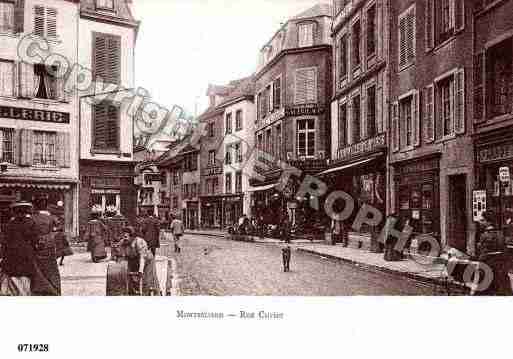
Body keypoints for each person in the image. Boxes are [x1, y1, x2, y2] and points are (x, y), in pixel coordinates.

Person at [0, 202, 39, 296]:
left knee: (12, 279)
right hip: (26, 255)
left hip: (11, 255)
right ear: (26, 211)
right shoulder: (31, 223)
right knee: (26, 279)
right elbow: (35, 240)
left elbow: (4, 242)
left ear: (14, 212)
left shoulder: (9, 225)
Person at [32, 194, 61, 296]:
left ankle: (40, 289)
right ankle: (53, 289)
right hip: (49, 245)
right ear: (46, 205)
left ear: (35, 205)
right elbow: (58, 232)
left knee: (38, 268)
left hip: (36, 245)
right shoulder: (52, 218)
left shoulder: (32, 218)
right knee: (51, 269)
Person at [121, 226, 160, 295]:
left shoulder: (139, 242)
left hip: (147, 260)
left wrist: (140, 271)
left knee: (148, 280)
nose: (124, 238)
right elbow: (123, 257)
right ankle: (134, 292)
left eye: (126, 236)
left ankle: (153, 292)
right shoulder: (123, 243)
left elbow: (142, 257)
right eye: (123, 236)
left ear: (132, 236)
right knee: (132, 279)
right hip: (134, 260)